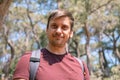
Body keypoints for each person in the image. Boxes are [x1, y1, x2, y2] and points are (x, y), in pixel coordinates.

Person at [13, 9, 90, 80]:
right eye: (54, 26)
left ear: (71, 33)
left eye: (64, 27)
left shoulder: (81, 66)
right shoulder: (28, 60)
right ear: (47, 30)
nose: (58, 31)